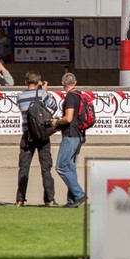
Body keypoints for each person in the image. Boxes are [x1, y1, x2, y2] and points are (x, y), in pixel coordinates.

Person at [15, 71, 59, 207]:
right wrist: (45, 91)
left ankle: (20, 199)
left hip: (27, 135)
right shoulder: (41, 94)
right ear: (39, 82)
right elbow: (54, 106)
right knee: (46, 167)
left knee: (24, 168)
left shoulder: (20, 97)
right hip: (42, 134)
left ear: (25, 82)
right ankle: (49, 199)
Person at [51, 73, 87, 208]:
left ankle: (79, 194)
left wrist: (57, 122)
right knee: (70, 168)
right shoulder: (80, 95)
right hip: (79, 135)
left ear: (62, 83)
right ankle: (72, 201)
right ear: (75, 82)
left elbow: (69, 118)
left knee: (61, 166)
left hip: (71, 135)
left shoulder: (71, 96)